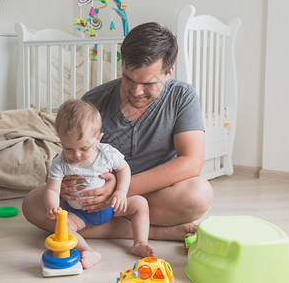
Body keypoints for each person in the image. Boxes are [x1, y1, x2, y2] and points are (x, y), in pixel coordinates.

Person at [23, 22, 213, 245]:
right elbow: (70, 155)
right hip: (96, 197)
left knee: (199, 194)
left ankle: (120, 225)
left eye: (148, 83)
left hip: (153, 193)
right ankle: (153, 232)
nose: (136, 91)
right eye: (129, 79)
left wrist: (117, 189)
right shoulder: (94, 101)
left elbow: (191, 162)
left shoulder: (182, 96)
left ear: (169, 72)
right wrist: (64, 184)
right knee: (33, 205)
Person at [44, 99, 154, 269]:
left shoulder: (107, 154)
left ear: (98, 138)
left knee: (141, 203)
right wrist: (53, 206)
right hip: (80, 213)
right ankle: (88, 251)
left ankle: (140, 242)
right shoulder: (60, 162)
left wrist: (120, 192)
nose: (76, 155)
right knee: (61, 228)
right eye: (69, 149)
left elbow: (124, 169)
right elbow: (52, 188)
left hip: (110, 205)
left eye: (84, 149)